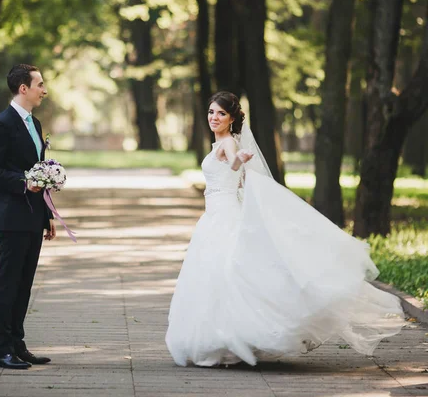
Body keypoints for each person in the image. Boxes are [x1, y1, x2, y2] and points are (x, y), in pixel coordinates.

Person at [165, 91, 405, 367]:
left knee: (227, 271)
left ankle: (231, 337)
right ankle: (225, 338)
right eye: (211, 112)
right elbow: (237, 179)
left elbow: (232, 163)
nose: (214, 118)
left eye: (220, 113)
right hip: (216, 212)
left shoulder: (229, 142)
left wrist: (239, 160)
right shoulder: (218, 142)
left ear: (232, 118)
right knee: (218, 274)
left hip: (224, 214)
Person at [0, 64, 56, 369]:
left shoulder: (34, 124)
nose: (44, 90)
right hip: (11, 218)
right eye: (39, 84)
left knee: (25, 284)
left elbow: (39, 170)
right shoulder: (2, 123)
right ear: (23, 88)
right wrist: (24, 183)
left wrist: (47, 214)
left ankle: (18, 344)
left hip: (33, 217)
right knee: (8, 283)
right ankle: (2, 351)